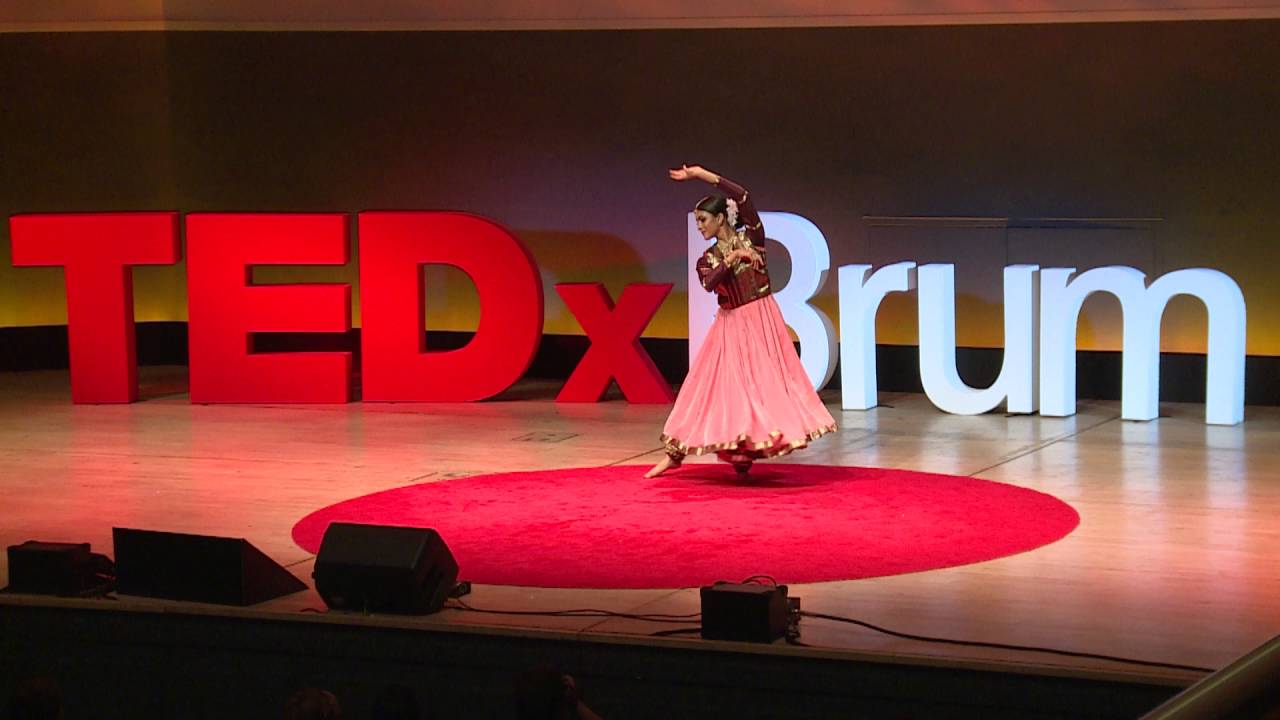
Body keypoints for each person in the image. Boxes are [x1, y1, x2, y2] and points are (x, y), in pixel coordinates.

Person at [647, 165, 835, 478]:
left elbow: (744, 196)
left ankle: (744, 454)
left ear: (721, 217)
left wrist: (702, 174)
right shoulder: (707, 259)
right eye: (697, 222)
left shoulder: (754, 239)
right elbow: (709, 284)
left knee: (766, 387)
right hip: (731, 324)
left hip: (762, 319)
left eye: (703, 220)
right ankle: (674, 454)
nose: (700, 227)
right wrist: (731, 259)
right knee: (711, 389)